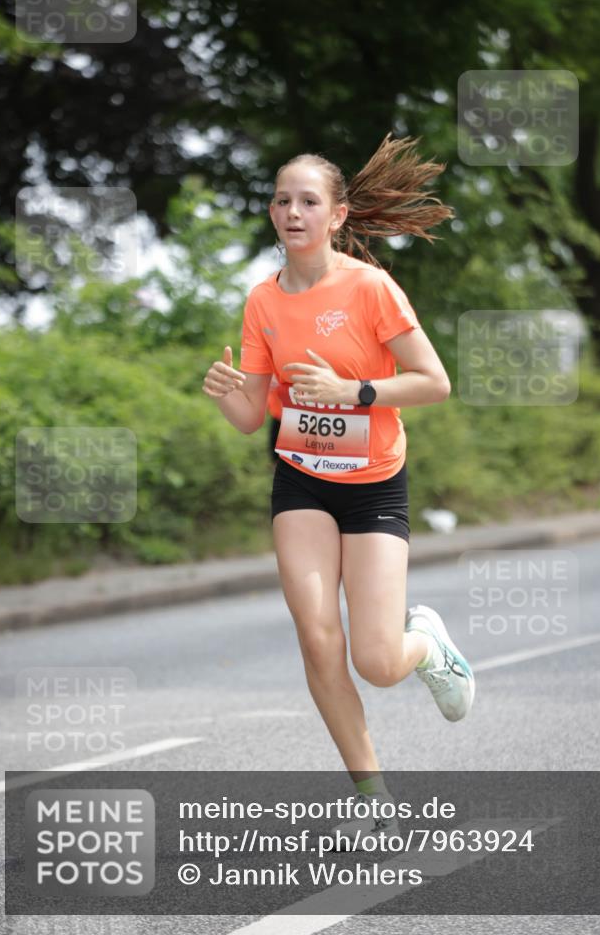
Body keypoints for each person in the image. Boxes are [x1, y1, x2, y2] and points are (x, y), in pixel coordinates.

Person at [202, 133, 474, 848]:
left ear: (336, 215)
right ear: (271, 213)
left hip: (373, 483)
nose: (293, 211)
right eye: (282, 200)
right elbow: (249, 415)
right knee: (318, 641)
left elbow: (433, 382)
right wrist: (227, 394)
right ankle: (372, 794)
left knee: (376, 661)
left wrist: (353, 391)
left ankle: (429, 646)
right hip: (300, 480)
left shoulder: (369, 287)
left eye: (308, 201)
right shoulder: (263, 299)